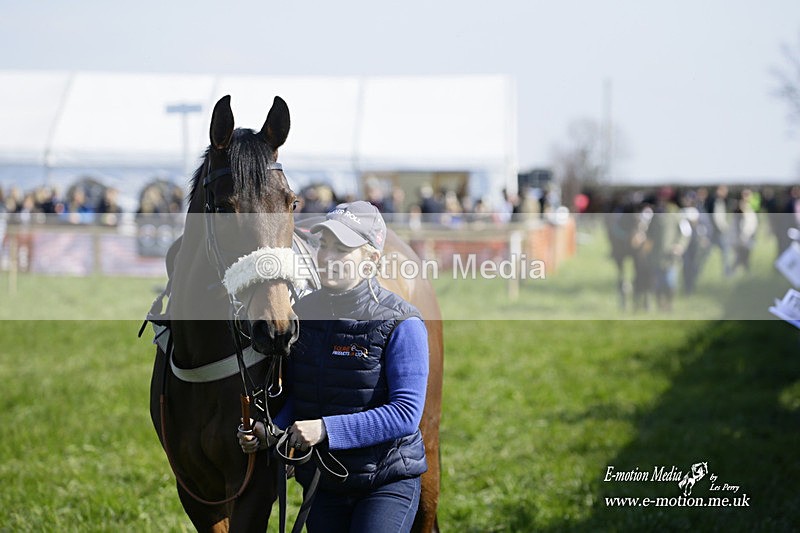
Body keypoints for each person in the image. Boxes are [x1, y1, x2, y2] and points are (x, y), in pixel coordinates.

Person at [238, 201, 429, 533]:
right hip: (324, 482)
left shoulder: (403, 322)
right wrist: (273, 431)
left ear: (371, 261)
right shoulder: (302, 315)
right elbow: (304, 394)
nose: (326, 258)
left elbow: (406, 414)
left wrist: (325, 430)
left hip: (386, 483)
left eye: (341, 249)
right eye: (323, 245)